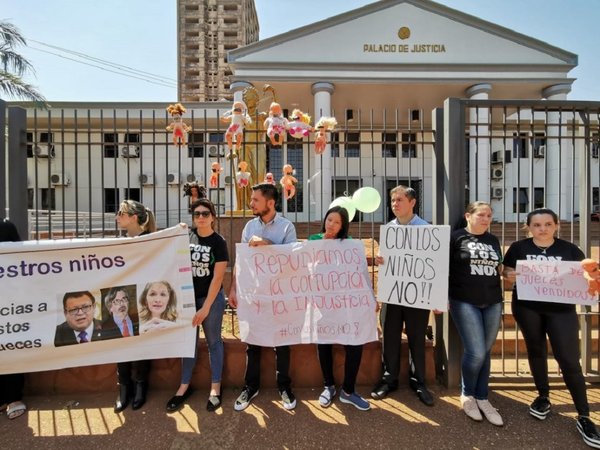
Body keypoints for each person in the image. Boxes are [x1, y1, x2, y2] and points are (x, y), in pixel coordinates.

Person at [503, 208, 600, 447]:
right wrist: (510, 275)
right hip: (528, 308)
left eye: (547, 224)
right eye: (537, 225)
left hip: (562, 311)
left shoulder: (569, 249)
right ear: (529, 227)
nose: (542, 229)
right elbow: (505, 273)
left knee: (568, 360)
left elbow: (586, 275)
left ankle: (584, 415)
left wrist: (591, 278)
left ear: (556, 225)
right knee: (536, 351)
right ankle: (543, 396)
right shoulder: (518, 248)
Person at [228, 183, 297, 411]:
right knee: (253, 343)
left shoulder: (287, 228)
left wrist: (268, 245)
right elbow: (242, 259)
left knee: (282, 343)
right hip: (254, 294)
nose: (251, 204)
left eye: (255, 200)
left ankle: (284, 386)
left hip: (279, 296)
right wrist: (233, 288)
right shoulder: (249, 226)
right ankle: (251, 386)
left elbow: (291, 261)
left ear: (270, 202)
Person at [371, 185, 434, 406]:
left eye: (400, 200)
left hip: (417, 295)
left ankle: (419, 382)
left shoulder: (427, 229)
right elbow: (385, 260)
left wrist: (435, 296)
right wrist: (380, 260)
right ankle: (389, 379)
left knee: (417, 337)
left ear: (412, 202)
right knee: (390, 335)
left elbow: (433, 265)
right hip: (392, 294)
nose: (395, 204)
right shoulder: (388, 229)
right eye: (393, 201)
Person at [166, 197, 228, 413]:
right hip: (187, 300)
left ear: (212, 217)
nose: (200, 217)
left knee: (214, 342)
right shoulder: (187, 237)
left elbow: (218, 278)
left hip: (210, 300)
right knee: (187, 344)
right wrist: (179, 229)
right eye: (196, 214)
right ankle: (183, 387)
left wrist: (205, 307)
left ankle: (215, 388)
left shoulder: (219, 242)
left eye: (205, 214)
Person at [309, 206, 370, 411]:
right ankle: (328, 386)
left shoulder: (351, 245)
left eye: (336, 222)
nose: (331, 224)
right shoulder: (314, 240)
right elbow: (306, 268)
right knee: (324, 341)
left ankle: (348, 391)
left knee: (355, 342)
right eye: (329, 219)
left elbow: (361, 272)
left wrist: (370, 297)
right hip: (323, 302)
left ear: (343, 225)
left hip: (347, 305)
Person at [448, 201, 503, 426]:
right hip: (464, 301)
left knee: (486, 351)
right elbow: (444, 268)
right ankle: (468, 395)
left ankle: (483, 397)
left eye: (489, 215)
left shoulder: (493, 240)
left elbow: (498, 267)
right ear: (468, 216)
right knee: (476, 351)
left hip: (493, 301)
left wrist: (509, 271)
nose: (486, 219)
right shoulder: (456, 237)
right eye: (481, 215)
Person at [113, 199, 157, 413]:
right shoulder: (116, 242)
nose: (117, 217)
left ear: (133, 217)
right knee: (120, 343)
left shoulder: (150, 241)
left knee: (141, 345)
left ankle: (140, 384)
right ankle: (123, 386)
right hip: (121, 301)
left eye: (121, 213)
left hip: (142, 300)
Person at [0, 219, 27, 419]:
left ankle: (13, 397)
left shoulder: (6, 227)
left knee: (10, 345)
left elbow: (19, 258)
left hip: (8, 301)